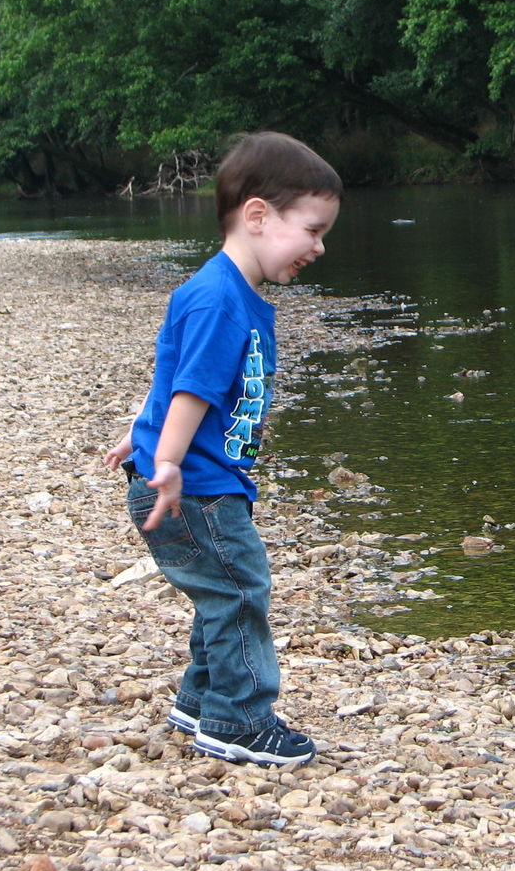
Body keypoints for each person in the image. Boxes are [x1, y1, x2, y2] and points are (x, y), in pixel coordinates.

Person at [103, 131, 342, 766]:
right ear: (259, 215)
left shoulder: (225, 292)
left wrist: (143, 428)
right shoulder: (220, 300)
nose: (320, 246)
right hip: (196, 488)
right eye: (313, 229)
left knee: (219, 589)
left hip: (202, 479)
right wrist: (168, 460)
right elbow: (191, 389)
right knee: (240, 590)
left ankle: (201, 697)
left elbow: (173, 372)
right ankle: (238, 721)